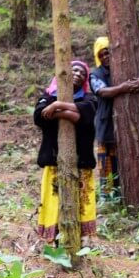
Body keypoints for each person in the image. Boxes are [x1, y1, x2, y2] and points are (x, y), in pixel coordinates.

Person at [34, 61, 98, 243]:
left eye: (82, 73)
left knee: (81, 202)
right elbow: (39, 116)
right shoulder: (47, 96)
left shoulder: (89, 98)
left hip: (81, 163)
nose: (78, 74)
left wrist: (55, 107)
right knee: (53, 201)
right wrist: (65, 109)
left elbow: (85, 115)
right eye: (74, 70)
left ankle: (81, 241)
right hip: (53, 161)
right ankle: (53, 241)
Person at [89, 37, 139, 201]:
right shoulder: (95, 75)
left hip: (127, 126)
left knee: (125, 160)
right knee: (107, 163)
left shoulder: (129, 65)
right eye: (102, 54)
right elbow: (103, 92)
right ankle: (109, 198)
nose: (106, 57)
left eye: (108, 52)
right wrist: (123, 88)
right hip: (106, 124)